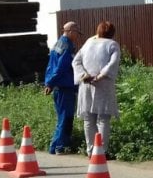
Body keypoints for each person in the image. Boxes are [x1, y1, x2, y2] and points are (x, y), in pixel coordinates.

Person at [72, 21, 121, 156]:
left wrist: (83, 75)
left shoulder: (88, 43)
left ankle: (90, 150)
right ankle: (102, 151)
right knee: (103, 118)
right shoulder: (112, 45)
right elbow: (113, 63)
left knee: (88, 119)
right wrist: (101, 75)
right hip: (103, 84)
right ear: (112, 33)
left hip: (86, 84)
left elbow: (76, 61)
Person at [44, 21, 81, 154]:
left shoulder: (58, 44)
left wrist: (49, 82)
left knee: (64, 116)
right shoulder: (67, 46)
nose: (77, 36)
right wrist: (51, 83)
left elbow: (50, 66)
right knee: (66, 117)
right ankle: (58, 146)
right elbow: (61, 67)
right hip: (65, 87)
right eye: (77, 33)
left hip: (60, 86)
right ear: (70, 31)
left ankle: (62, 144)